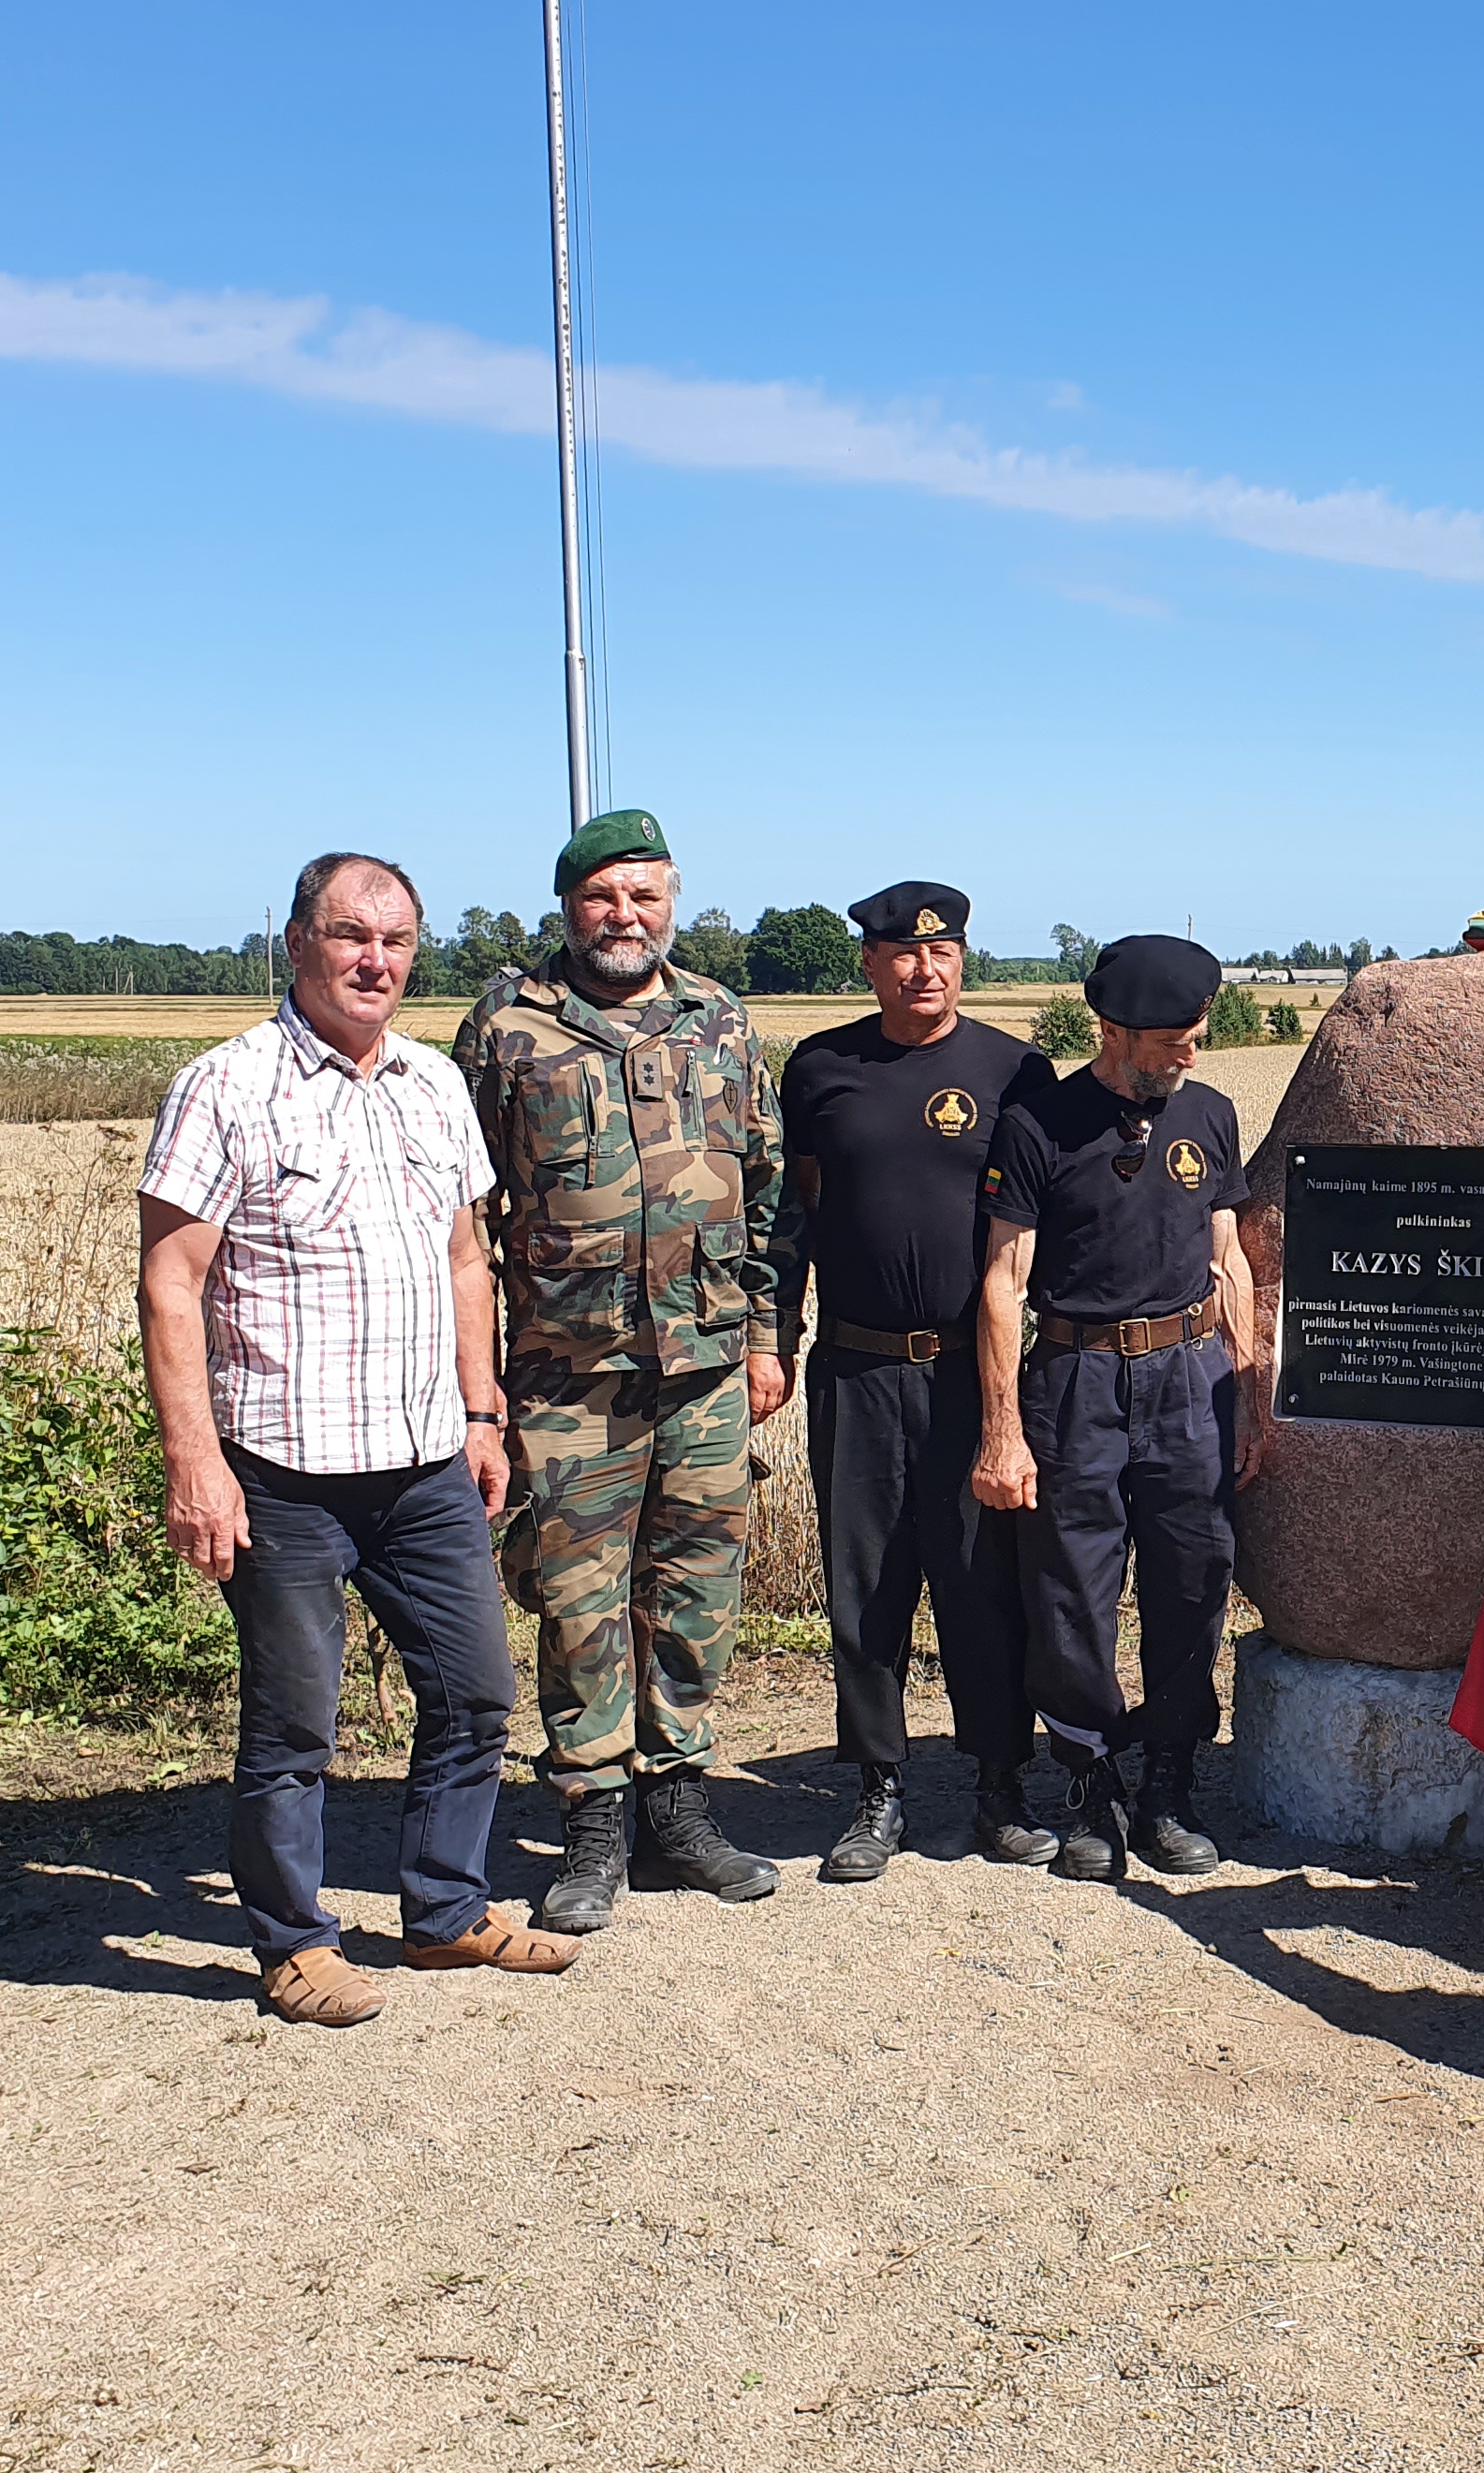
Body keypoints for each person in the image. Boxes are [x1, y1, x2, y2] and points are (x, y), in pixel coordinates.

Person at [138, 853, 580, 2025]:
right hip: (282, 1474)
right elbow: (171, 1286)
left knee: (476, 1695)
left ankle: (444, 1913)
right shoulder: (224, 1089)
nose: (374, 959)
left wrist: (482, 1415)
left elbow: (462, 1261)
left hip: (427, 1462)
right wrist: (196, 1465)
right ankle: (293, 1942)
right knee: (295, 1725)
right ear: (297, 945)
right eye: (349, 935)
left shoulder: (434, 1087)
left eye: (394, 940)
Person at [452, 808, 786, 1935]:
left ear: (672, 903)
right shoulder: (509, 1027)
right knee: (578, 1599)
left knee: (697, 1589)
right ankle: (592, 1821)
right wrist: (476, 1390)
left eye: (643, 896)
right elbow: (460, 1213)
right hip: (566, 1372)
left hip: (702, 1367)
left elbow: (768, 1186)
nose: (623, 917)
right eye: (602, 897)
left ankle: (679, 1807)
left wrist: (763, 1338)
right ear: (567, 906)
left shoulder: (720, 1021)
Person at [759, 879, 1059, 1877]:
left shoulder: (1017, 1071)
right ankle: (877, 1791)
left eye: (943, 953)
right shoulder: (819, 1068)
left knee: (985, 1583)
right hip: (855, 1367)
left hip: (973, 1370)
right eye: (902, 954)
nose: (923, 970)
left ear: (962, 958)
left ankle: (999, 1787)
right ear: (870, 963)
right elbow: (791, 1216)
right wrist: (775, 1331)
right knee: (867, 1587)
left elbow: (1043, 1231)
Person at [971, 935, 1268, 1882]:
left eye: (1196, 1036)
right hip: (1076, 1380)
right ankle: (1091, 1778)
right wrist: (1003, 1429)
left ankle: (1170, 1780)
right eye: (1169, 1041)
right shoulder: (1038, 1126)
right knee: (1072, 1594)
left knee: (1193, 1581)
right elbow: (1004, 1283)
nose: (1187, 1055)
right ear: (1110, 1029)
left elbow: (1228, 1257)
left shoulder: (1210, 1116)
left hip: (1190, 1382)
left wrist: (1250, 1390)